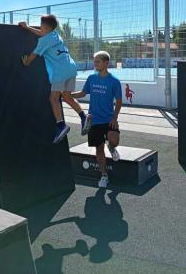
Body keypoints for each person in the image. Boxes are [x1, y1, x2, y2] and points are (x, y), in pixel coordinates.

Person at [19, 15, 92, 144]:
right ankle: (83, 116)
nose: (40, 27)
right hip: (71, 68)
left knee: (53, 98)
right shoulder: (55, 35)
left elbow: (33, 56)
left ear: (46, 27)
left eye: (41, 25)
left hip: (60, 72)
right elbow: (42, 33)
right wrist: (27, 27)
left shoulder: (43, 41)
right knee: (67, 96)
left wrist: (26, 62)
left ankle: (61, 125)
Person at [72, 51, 122, 188]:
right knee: (99, 149)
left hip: (109, 119)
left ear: (106, 63)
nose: (95, 64)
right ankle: (104, 175)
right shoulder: (91, 78)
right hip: (94, 120)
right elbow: (82, 93)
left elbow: (118, 101)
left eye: (97, 61)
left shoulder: (114, 81)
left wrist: (115, 118)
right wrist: (69, 96)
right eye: (94, 61)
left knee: (114, 140)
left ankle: (112, 148)